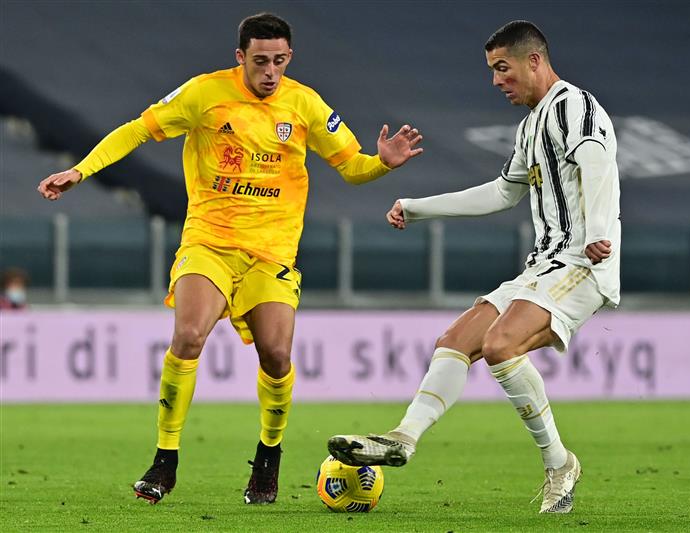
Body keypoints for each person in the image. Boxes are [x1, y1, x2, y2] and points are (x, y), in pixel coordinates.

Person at [37, 12, 422, 505]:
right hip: (210, 242)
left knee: (277, 356)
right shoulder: (204, 94)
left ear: (289, 58)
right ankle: (165, 458)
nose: (270, 71)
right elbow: (137, 130)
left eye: (280, 61)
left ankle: (268, 458)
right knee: (189, 334)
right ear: (241, 57)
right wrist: (81, 169)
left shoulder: (304, 104)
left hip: (272, 253)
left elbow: (350, 167)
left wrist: (381, 166)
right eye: (261, 61)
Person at [328, 20, 620, 514]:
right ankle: (404, 438)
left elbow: (595, 160)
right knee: (454, 343)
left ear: (534, 61)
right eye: (492, 71)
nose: (496, 81)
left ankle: (559, 463)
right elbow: (502, 192)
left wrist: (596, 232)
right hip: (543, 266)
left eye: (502, 68)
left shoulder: (575, 106)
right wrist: (418, 206)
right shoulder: (531, 126)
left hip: (582, 264)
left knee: (502, 344)